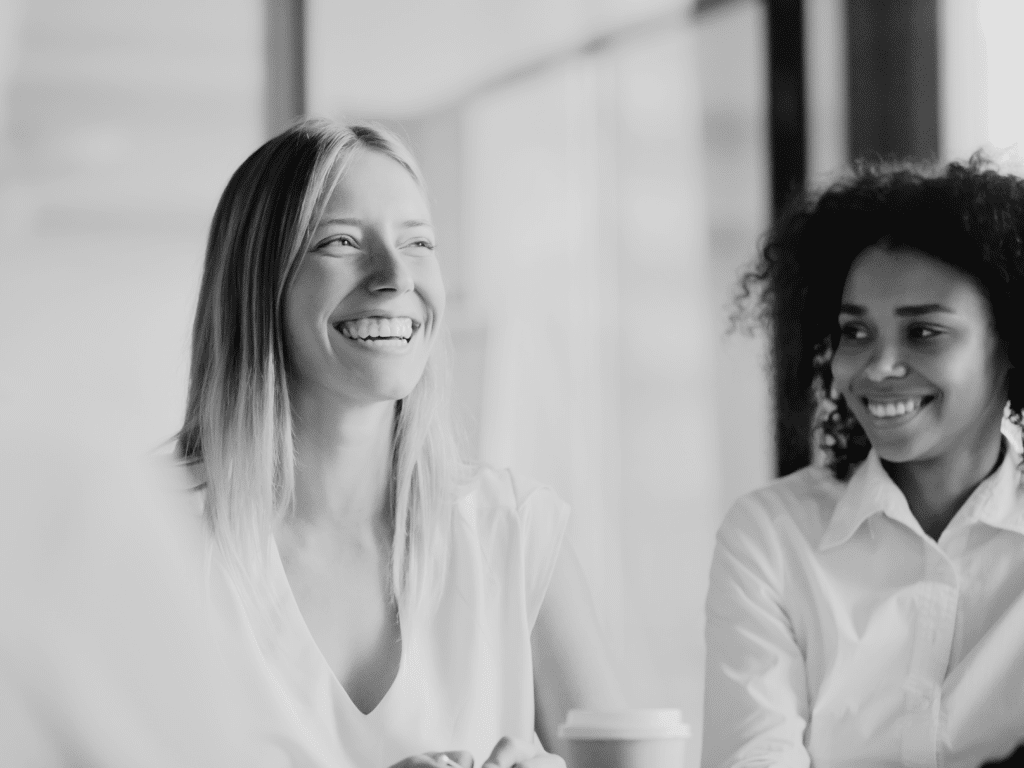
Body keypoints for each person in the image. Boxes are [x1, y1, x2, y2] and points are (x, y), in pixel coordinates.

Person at [172, 118, 624, 768]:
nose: (394, 277)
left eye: (418, 243)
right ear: (257, 281)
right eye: (340, 242)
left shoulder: (510, 533)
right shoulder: (151, 536)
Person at [702, 156, 1024, 768]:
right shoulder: (771, 537)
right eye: (855, 334)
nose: (877, 368)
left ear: (1009, 343)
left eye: (924, 333)